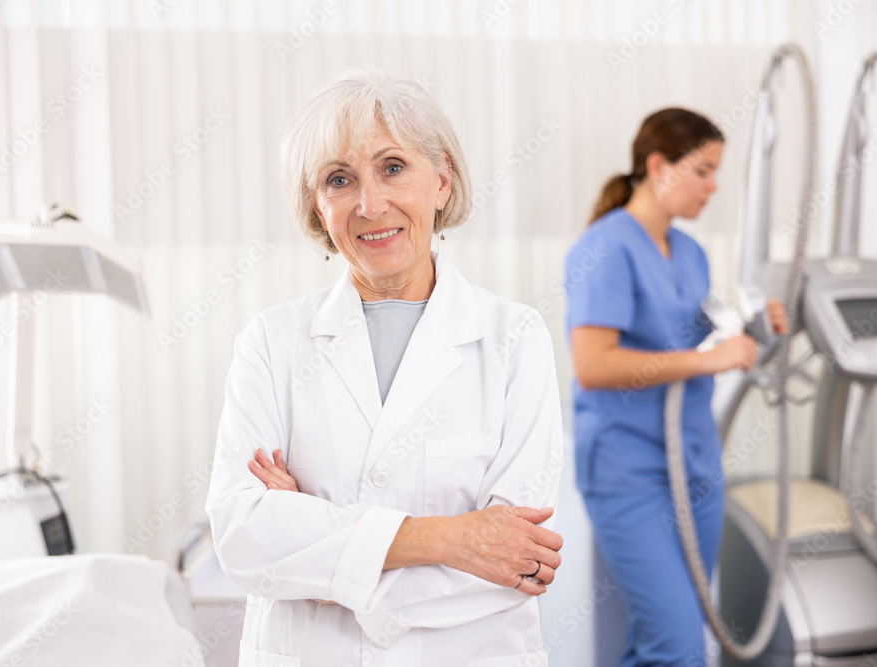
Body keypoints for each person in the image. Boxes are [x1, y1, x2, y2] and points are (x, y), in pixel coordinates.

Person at [206, 69, 564, 667]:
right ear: (318, 210)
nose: (371, 205)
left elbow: (514, 559)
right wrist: (454, 538)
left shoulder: (516, 339)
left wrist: (313, 546)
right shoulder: (270, 343)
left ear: (442, 182)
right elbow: (244, 538)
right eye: (339, 180)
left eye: (393, 168)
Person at [565, 108, 787, 666]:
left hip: (696, 466)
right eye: (704, 171)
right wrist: (705, 362)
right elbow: (594, 365)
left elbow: (706, 333)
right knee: (679, 642)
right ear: (658, 165)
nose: (714, 187)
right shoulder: (605, 248)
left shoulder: (690, 253)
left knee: (670, 636)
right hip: (629, 472)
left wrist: (760, 324)